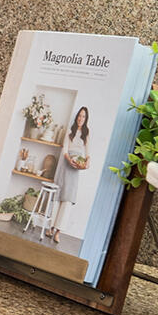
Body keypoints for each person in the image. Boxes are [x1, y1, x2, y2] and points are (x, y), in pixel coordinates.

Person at [46, 105, 92, 246]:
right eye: (79, 115)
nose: (81, 118)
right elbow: (65, 148)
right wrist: (68, 159)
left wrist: (86, 163)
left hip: (76, 167)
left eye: (83, 116)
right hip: (65, 164)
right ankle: (51, 228)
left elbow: (88, 152)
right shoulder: (70, 131)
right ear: (76, 117)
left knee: (68, 199)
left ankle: (58, 231)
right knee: (58, 196)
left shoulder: (86, 133)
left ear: (86, 119)